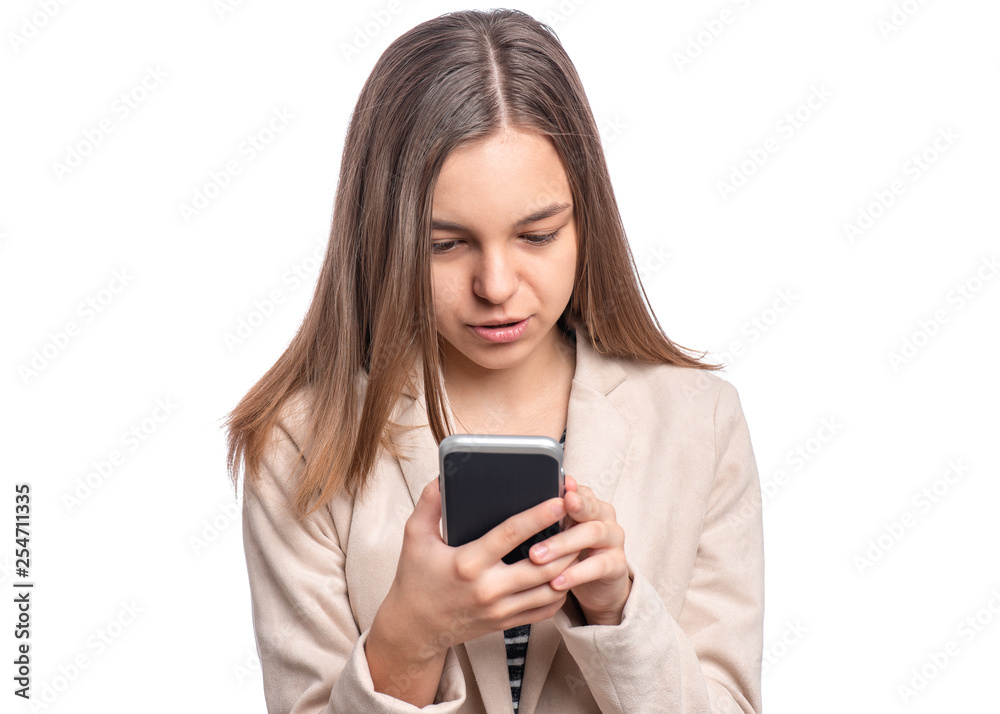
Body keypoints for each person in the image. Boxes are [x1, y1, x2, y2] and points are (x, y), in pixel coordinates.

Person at [226, 8, 764, 713]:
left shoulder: (700, 424)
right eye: (445, 244)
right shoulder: (301, 444)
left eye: (536, 235)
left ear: (586, 218)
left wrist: (620, 613)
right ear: (384, 236)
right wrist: (409, 640)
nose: (497, 287)